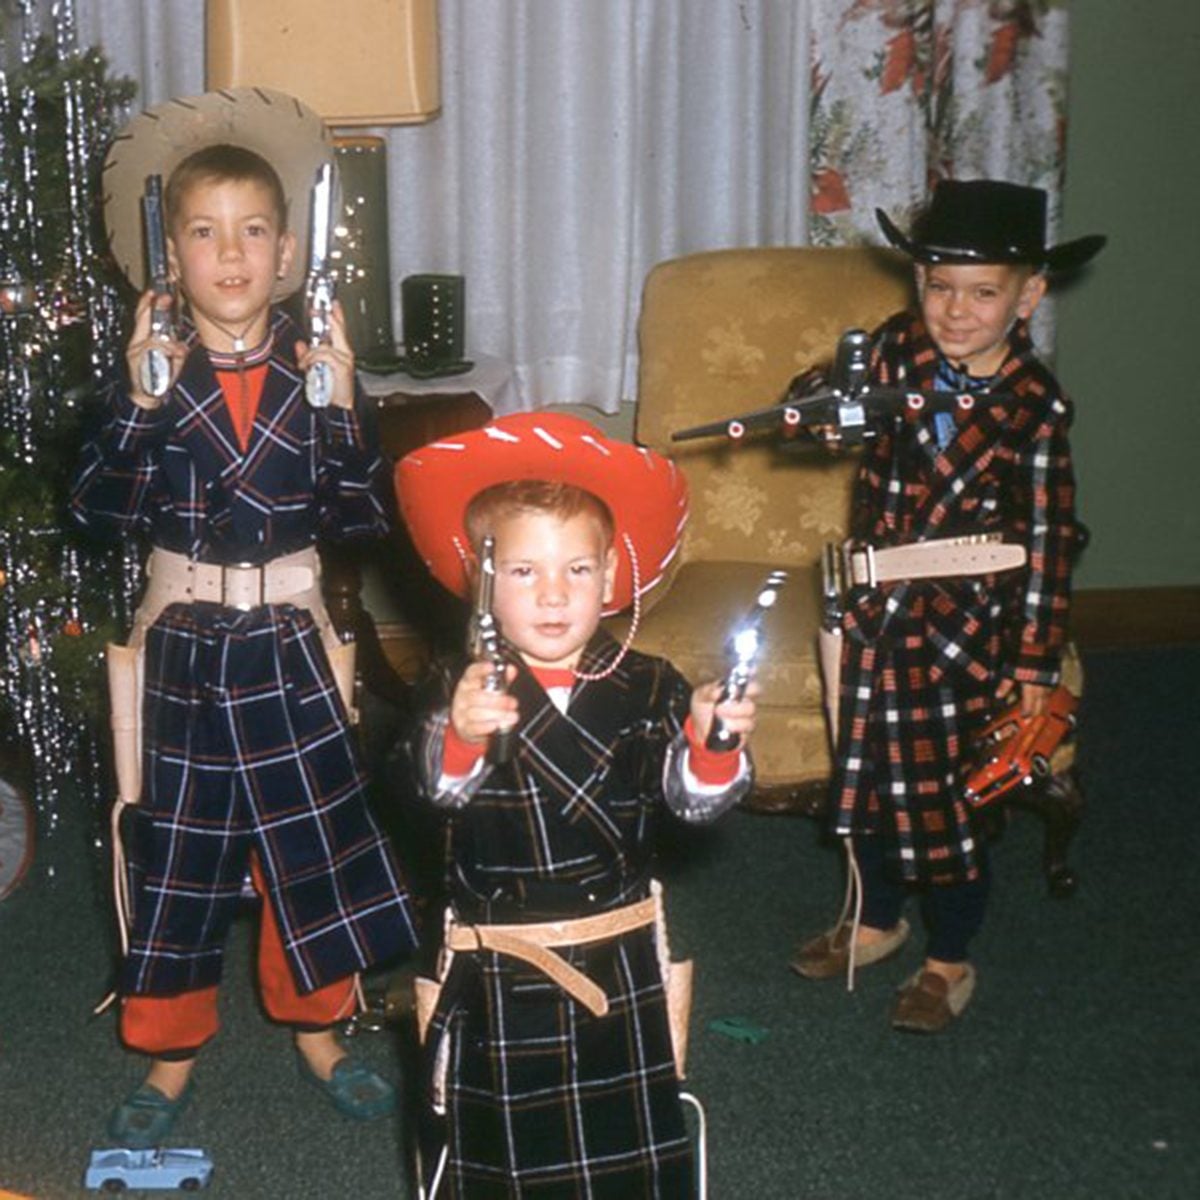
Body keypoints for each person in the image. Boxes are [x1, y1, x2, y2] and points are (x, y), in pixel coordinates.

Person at [70, 88, 417, 1146]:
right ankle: (169, 1054)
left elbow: (363, 519)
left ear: (289, 249)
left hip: (290, 646)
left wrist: (348, 411)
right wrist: (135, 408)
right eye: (204, 233)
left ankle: (320, 1028)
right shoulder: (149, 379)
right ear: (168, 255)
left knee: (306, 849)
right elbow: (92, 510)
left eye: (252, 232)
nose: (231, 255)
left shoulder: (316, 379)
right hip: (184, 647)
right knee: (177, 855)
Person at [394, 412, 759, 1197]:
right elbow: (431, 791)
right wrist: (457, 736)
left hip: (618, 960)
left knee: (625, 1159)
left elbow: (691, 806)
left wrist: (711, 748)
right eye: (525, 572)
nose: (555, 595)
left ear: (612, 574)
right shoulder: (456, 690)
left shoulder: (650, 683)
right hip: (503, 970)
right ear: (484, 581)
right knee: (505, 1163)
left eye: (579, 571)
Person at [791, 179, 1104, 1032]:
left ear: (1029, 295)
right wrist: (822, 405)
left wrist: (1035, 659)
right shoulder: (896, 352)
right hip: (873, 617)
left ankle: (947, 958)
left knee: (947, 802)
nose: (955, 312)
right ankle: (882, 920)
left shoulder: (1035, 409)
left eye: (983, 293)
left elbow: (1047, 539)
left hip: (969, 633)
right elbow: (832, 406)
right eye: (938, 286)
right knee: (875, 784)